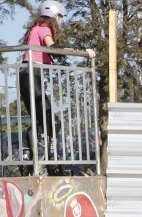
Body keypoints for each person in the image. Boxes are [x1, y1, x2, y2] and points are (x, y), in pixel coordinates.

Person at [19, 0, 94, 173]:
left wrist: (72, 50)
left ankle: (31, 156)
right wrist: (84, 52)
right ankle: (49, 157)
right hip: (31, 75)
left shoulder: (36, 27)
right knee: (51, 121)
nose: (60, 21)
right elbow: (52, 48)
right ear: (55, 15)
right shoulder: (44, 28)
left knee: (42, 120)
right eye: (60, 17)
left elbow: (53, 48)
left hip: (28, 75)